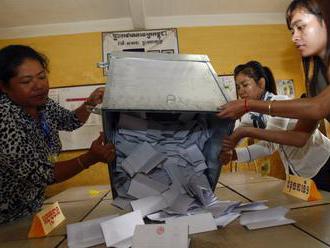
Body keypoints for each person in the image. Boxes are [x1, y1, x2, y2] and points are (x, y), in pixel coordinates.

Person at [0, 45, 115, 224]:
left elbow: (70, 121)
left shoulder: (43, 104)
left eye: (42, 77)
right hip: (6, 216)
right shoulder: (4, 119)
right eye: (26, 81)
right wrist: (89, 158)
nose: (38, 86)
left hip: (32, 206)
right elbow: (40, 174)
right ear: (4, 87)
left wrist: (91, 102)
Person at [219, 61, 330, 190]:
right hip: (299, 170)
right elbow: (235, 136)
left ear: (261, 83)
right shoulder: (251, 113)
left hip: (321, 161)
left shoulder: (279, 101)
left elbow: (270, 146)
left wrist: (237, 151)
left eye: (245, 85)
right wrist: (226, 148)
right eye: (238, 87)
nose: (241, 91)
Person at [217, 0, 330, 122]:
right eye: (292, 31)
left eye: (301, 27)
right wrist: (243, 131)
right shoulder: (317, 76)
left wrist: (247, 105)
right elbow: (300, 136)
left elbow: (317, 107)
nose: (294, 37)